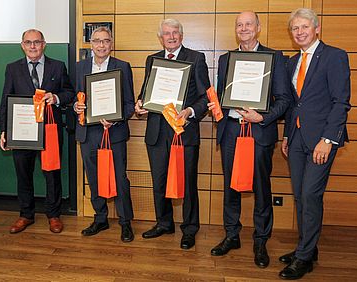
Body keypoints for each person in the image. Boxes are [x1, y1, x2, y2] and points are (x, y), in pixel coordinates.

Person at [207, 11, 291, 268]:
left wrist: (262, 117)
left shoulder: (274, 58)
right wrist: (216, 107)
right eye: (239, 25)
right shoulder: (225, 60)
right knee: (230, 187)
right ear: (236, 29)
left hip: (259, 132)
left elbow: (285, 100)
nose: (244, 28)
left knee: (261, 189)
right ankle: (232, 235)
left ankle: (261, 240)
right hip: (231, 130)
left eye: (248, 24)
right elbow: (221, 95)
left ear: (258, 28)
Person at [279, 8, 351, 280]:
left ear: (316, 28)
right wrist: (287, 135)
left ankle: (304, 257)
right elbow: (293, 105)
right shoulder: (291, 62)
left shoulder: (334, 56)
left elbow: (341, 102)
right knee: (300, 196)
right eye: (295, 28)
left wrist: (327, 140)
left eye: (304, 27)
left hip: (322, 140)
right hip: (296, 139)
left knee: (310, 195)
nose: (299, 32)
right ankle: (306, 248)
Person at [135, 19, 210, 249]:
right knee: (159, 182)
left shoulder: (196, 59)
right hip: (157, 132)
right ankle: (164, 223)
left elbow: (206, 97)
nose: (171, 37)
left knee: (187, 184)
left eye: (175, 32)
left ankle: (189, 229)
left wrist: (190, 110)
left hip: (183, 133)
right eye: (167, 33)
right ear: (161, 37)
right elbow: (146, 92)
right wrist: (140, 104)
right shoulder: (152, 60)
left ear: (182, 34)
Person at [0, 29, 74, 234]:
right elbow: (6, 99)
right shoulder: (12, 68)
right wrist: (4, 130)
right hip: (22, 131)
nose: (33, 46)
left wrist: (56, 98)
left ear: (44, 44)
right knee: (23, 173)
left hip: (49, 129)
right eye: (28, 42)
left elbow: (69, 93)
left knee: (52, 173)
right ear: (22, 45)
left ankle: (54, 215)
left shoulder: (57, 67)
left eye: (37, 42)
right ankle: (26, 214)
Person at [74, 27, 135, 242]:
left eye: (105, 41)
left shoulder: (123, 67)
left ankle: (125, 222)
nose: (101, 45)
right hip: (88, 132)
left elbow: (129, 105)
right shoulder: (79, 67)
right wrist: (76, 106)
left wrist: (116, 117)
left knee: (120, 178)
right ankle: (100, 218)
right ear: (91, 44)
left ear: (111, 43)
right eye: (97, 41)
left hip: (114, 131)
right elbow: (73, 98)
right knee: (93, 177)